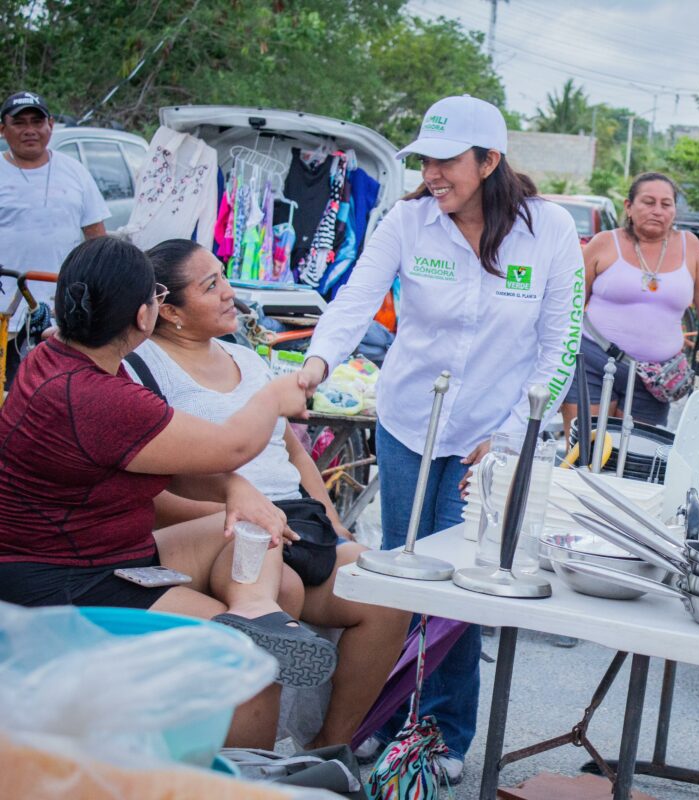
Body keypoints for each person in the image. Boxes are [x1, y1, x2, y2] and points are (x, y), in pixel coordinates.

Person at [294, 95, 584, 782]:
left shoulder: (548, 230)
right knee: (398, 568)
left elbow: (559, 343)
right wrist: (315, 364)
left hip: (492, 430)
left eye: (447, 160)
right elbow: (357, 298)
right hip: (406, 421)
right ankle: (384, 717)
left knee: (460, 588)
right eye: (425, 159)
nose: (432, 173)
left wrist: (513, 433)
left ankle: (445, 732)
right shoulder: (408, 220)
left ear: (488, 161)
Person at [0, 236, 325, 748]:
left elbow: (167, 460)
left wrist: (234, 487)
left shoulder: (53, 358)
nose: (225, 292)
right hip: (71, 581)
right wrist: (271, 398)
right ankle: (237, 773)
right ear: (146, 315)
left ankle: (254, 614)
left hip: (103, 553)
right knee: (249, 664)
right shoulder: (97, 396)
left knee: (256, 531)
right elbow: (232, 444)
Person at [133, 239, 410, 751]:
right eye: (210, 285)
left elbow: (293, 452)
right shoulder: (143, 369)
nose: (228, 294)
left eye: (223, 277)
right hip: (221, 523)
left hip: (297, 519)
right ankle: (257, 759)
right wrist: (238, 515)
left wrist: (333, 520)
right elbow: (156, 487)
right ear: (167, 309)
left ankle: (330, 749)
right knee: (278, 588)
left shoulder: (246, 357)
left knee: (388, 593)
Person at [562, 172, 699, 429]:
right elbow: (569, 304)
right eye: (648, 202)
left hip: (657, 379)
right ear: (629, 206)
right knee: (585, 452)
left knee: (636, 461)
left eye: (666, 204)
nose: (657, 210)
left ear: (674, 211)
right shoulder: (604, 243)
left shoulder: (689, 246)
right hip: (593, 363)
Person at [0, 91, 109, 344]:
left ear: (50, 125)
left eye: (37, 122)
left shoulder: (75, 172)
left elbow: (96, 241)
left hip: (60, 309)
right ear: (3, 129)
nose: (30, 130)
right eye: (19, 123)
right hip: (6, 308)